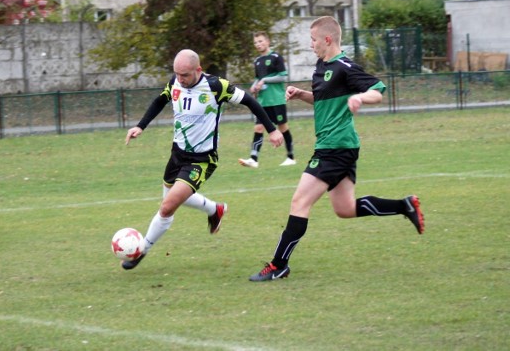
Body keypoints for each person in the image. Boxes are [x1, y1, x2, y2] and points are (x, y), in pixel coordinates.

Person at [249, 16, 424, 282]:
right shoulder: (322, 66)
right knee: (345, 208)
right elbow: (323, 100)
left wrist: (360, 97)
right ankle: (405, 205)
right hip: (338, 146)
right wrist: (302, 95)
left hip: (335, 147)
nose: (311, 45)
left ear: (327, 40)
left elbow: (378, 90)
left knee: (300, 201)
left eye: (314, 40)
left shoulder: (345, 67)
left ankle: (278, 265)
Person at [122, 49, 284, 270]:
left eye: (185, 75)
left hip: (201, 159)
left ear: (198, 70)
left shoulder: (216, 86)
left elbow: (250, 101)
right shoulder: (176, 82)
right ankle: (214, 210)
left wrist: (272, 130)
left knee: (167, 207)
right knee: (174, 198)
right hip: (177, 154)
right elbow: (160, 100)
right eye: (177, 74)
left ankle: (141, 250)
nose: (180, 79)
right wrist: (140, 126)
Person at [238, 31, 296, 169]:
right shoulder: (257, 61)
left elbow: (283, 77)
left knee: (282, 127)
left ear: (268, 42)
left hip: (277, 100)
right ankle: (253, 159)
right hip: (263, 102)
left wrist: (265, 80)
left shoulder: (276, 57)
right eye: (256, 43)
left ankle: (291, 157)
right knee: (258, 127)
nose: (258, 44)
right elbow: (258, 78)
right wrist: (254, 87)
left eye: (261, 41)